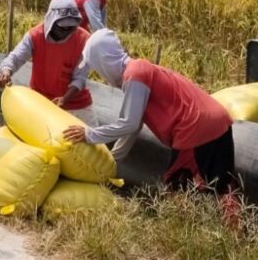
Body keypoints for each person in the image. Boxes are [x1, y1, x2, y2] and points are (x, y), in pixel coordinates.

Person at [62, 30, 236, 192]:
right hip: (217, 121)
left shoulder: (135, 74)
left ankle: (182, 223)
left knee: (178, 188)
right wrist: (111, 162)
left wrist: (89, 134)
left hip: (195, 128)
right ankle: (233, 224)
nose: (101, 75)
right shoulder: (139, 71)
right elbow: (133, 125)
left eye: (97, 68)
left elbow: (128, 124)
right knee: (223, 187)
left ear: (103, 61)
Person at [0, 0, 93, 117]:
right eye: (62, 27)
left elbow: (79, 78)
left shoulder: (84, 40)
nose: (67, 31)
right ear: (51, 20)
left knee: (89, 135)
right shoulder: (35, 36)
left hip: (75, 104)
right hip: (40, 100)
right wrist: (6, 72)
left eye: (71, 27)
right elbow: (16, 57)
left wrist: (64, 99)